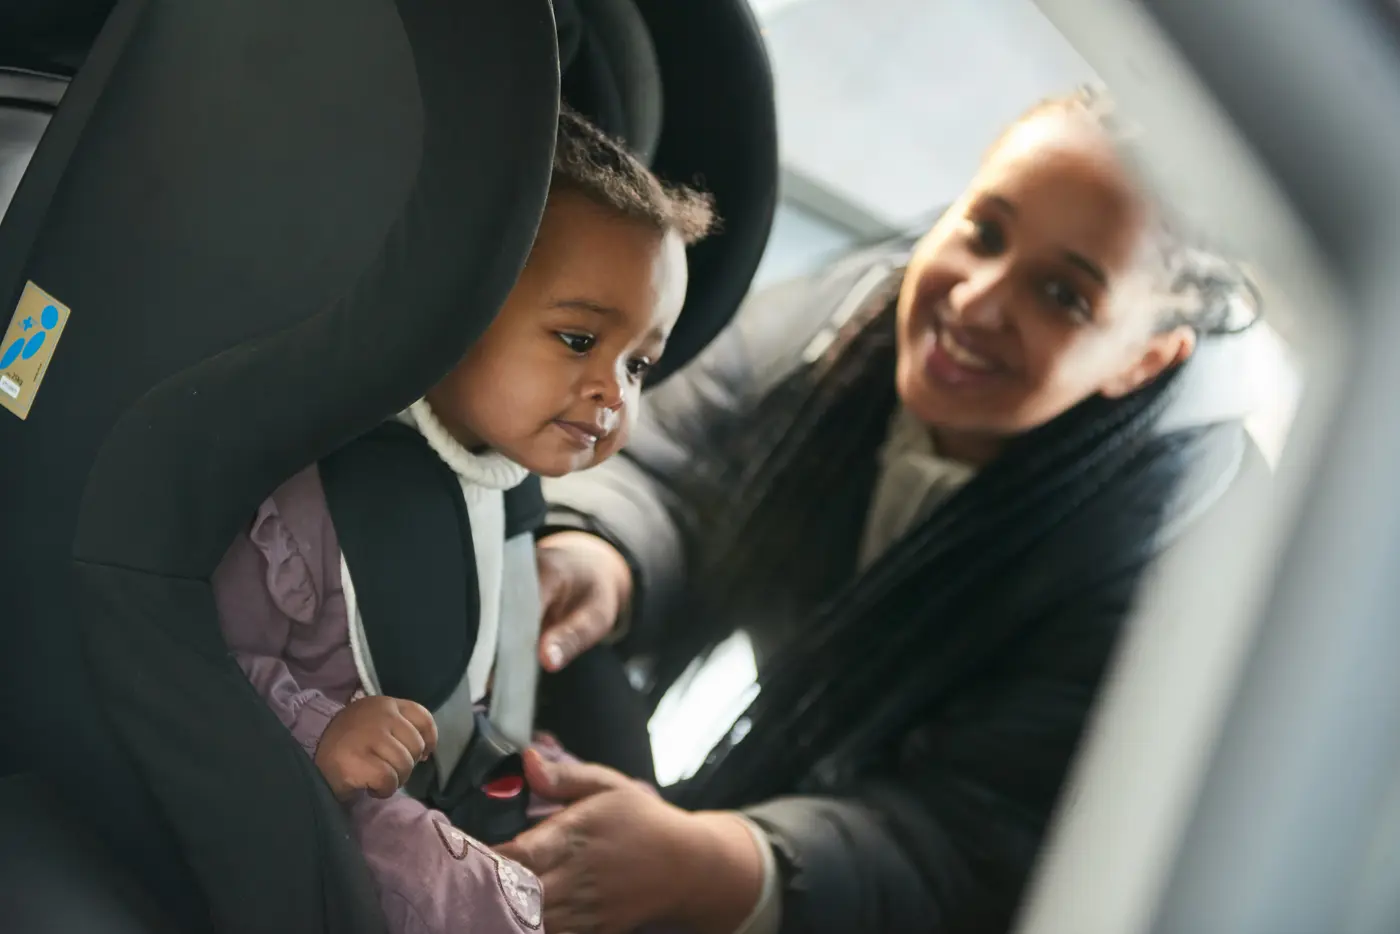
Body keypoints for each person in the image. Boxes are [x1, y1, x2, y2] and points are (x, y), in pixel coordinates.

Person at [504, 86, 1271, 934]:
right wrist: (602, 553)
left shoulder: (1168, 575)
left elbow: (975, 836)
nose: (976, 301)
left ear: (1146, 360)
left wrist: (719, 865)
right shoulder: (844, 322)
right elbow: (674, 469)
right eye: (985, 231)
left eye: (1062, 294)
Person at [211, 107, 714, 934]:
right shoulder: (320, 489)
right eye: (578, 338)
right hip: (326, 797)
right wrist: (322, 732)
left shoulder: (505, 486)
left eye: (639, 364)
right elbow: (214, 666)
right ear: (459, 297)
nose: (613, 391)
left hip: (461, 772)